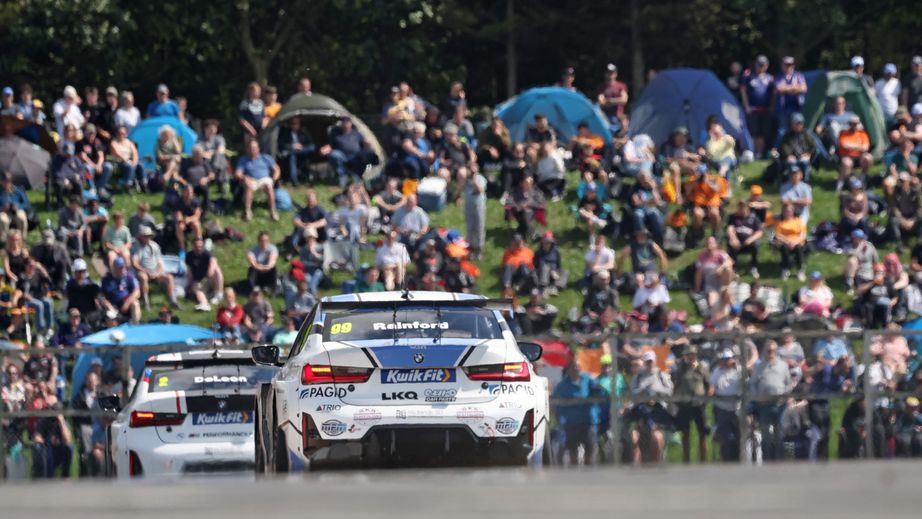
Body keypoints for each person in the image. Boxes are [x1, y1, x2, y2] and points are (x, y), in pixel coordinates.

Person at [552, 361, 605, 466]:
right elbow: (556, 405)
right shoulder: (562, 386)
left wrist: (599, 388)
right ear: (569, 369)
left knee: (590, 448)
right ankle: (575, 475)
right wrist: (559, 420)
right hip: (571, 423)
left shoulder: (587, 379)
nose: (576, 369)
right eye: (573, 366)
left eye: (578, 366)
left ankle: (589, 471)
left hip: (588, 421)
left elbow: (599, 392)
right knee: (572, 452)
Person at [629, 350, 673, 464]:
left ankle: (656, 464)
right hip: (641, 410)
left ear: (655, 361)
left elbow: (670, 391)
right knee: (634, 438)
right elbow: (632, 393)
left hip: (657, 410)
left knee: (657, 438)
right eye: (647, 362)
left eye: (651, 361)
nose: (649, 364)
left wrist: (656, 390)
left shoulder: (662, 375)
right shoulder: (638, 377)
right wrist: (643, 388)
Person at [751, 340, 792, 461]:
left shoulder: (783, 365)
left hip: (780, 405)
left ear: (776, 351)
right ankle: (767, 460)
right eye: (768, 351)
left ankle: (779, 461)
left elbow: (788, 384)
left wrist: (785, 397)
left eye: (773, 351)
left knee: (779, 434)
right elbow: (752, 384)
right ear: (764, 352)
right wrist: (757, 398)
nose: (771, 353)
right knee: (766, 435)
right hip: (764, 405)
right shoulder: (759, 366)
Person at [671, 345, 709, 463]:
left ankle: (703, 460)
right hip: (684, 404)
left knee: (702, 433)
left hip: (699, 404)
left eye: (691, 354)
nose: (689, 357)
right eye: (687, 355)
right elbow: (676, 384)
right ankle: (686, 460)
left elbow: (708, 385)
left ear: (696, 355)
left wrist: (706, 399)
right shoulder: (681, 369)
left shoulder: (702, 368)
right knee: (685, 433)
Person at [131, 226, 179, 309]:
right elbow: (135, 264)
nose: (147, 238)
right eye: (145, 236)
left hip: (155, 271)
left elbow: (160, 262)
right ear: (141, 236)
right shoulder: (136, 247)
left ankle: (173, 300)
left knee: (169, 277)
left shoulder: (155, 246)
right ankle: (146, 302)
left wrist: (157, 272)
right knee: (143, 277)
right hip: (143, 270)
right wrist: (146, 271)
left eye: (148, 236)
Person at [235, 139, 281, 221]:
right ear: (247, 149)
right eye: (251, 148)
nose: (253, 150)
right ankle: (248, 211)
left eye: (255, 148)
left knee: (269, 186)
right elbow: (237, 173)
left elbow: (276, 169)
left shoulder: (265, 157)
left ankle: (273, 211)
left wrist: (274, 178)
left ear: (258, 148)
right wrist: (244, 177)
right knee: (248, 185)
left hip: (264, 179)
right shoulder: (244, 159)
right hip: (251, 180)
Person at [709, 349, 741, 461]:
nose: (727, 361)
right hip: (722, 407)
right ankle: (725, 459)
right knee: (724, 436)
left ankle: (739, 458)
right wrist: (711, 394)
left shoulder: (739, 370)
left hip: (737, 407)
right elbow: (712, 387)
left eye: (729, 359)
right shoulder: (717, 371)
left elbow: (746, 384)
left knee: (739, 435)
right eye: (724, 359)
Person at [740, 55, 775, 158]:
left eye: (763, 65)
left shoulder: (769, 78)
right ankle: (753, 152)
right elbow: (743, 91)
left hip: (765, 110)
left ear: (767, 66)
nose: (760, 67)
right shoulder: (749, 77)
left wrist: (772, 106)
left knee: (762, 133)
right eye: (759, 64)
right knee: (753, 132)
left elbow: (773, 94)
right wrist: (746, 106)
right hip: (753, 109)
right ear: (755, 65)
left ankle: (759, 154)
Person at [687, 165, 727, 238]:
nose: (701, 176)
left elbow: (717, 189)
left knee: (714, 213)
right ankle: (697, 232)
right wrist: (694, 184)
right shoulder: (693, 180)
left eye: (703, 173)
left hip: (712, 205)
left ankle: (715, 232)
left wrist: (707, 181)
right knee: (697, 213)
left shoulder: (714, 179)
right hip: (699, 205)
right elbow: (687, 193)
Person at [726, 200, 764, 278]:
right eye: (740, 207)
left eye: (743, 207)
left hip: (748, 243)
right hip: (737, 242)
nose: (741, 209)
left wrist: (751, 239)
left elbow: (759, 232)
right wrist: (733, 238)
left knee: (755, 245)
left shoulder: (753, 217)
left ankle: (753, 267)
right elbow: (730, 228)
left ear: (747, 208)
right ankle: (734, 268)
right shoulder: (733, 217)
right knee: (731, 244)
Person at [185, 237, 224, 311]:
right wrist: (189, 284)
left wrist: (210, 270)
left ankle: (219, 294)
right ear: (193, 246)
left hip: (209, 278)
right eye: (197, 246)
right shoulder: (189, 256)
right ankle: (204, 303)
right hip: (198, 281)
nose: (199, 248)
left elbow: (213, 261)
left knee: (217, 270)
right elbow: (189, 271)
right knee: (197, 289)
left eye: (200, 246)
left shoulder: (207, 253)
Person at [694, 236, 734, 306]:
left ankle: (726, 290)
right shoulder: (702, 256)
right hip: (710, 283)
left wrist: (721, 267)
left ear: (716, 244)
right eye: (708, 243)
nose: (709, 245)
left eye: (711, 243)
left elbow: (730, 262)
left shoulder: (721, 253)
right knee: (713, 304)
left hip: (722, 281)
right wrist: (697, 288)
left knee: (728, 269)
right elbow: (699, 273)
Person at [837, 115, 873, 189]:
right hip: (846, 156)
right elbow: (843, 145)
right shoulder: (843, 133)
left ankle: (862, 177)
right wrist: (859, 147)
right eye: (852, 123)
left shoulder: (862, 134)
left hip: (859, 157)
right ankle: (842, 182)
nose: (854, 125)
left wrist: (852, 146)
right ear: (849, 124)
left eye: (855, 124)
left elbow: (865, 148)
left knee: (868, 158)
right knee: (846, 162)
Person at [773, 203, 807, 281]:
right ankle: (785, 269)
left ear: (793, 211)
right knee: (784, 248)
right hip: (784, 242)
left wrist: (795, 242)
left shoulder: (798, 221)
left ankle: (800, 270)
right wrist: (788, 242)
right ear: (783, 212)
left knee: (798, 248)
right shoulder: (780, 222)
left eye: (790, 211)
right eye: (786, 211)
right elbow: (777, 235)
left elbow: (803, 234)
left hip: (797, 242)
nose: (788, 213)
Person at [277, 116, 314, 185]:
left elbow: (309, 142)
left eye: (296, 123)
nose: (294, 125)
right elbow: (281, 144)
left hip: (301, 150)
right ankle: (294, 180)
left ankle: (308, 175)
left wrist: (301, 146)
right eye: (293, 123)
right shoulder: (285, 132)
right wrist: (292, 146)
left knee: (312, 147)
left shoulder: (303, 131)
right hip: (290, 151)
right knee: (292, 155)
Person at [505, 175, 544, 241]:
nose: (529, 184)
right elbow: (509, 202)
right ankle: (532, 233)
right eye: (526, 183)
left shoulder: (536, 192)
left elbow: (540, 204)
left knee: (526, 213)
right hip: (518, 212)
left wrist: (528, 205)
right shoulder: (515, 192)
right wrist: (519, 206)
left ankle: (520, 233)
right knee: (524, 213)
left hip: (533, 213)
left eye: (531, 182)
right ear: (521, 183)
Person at [76, 123, 112, 194]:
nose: (91, 135)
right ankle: (92, 188)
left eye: (93, 133)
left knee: (108, 166)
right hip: (86, 164)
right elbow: (84, 157)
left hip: (97, 164)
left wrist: (98, 165)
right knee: (88, 168)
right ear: (85, 133)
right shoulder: (80, 142)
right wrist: (94, 166)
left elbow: (101, 155)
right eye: (89, 133)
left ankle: (101, 187)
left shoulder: (97, 141)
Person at [779, 112, 816, 181]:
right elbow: (784, 147)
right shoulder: (787, 136)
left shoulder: (806, 134)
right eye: (796, 124)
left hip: (804, 156)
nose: (799, 126)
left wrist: (808, 154)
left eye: (800, 123)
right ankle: (792, 181)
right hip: (792, 156)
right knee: (791, 162)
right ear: (792, 124)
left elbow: (813, 146)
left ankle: (805, 181)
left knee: (805, 162)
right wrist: (788, 155)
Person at [65, 258, 102, 323]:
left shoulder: (91, 285)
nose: (81, 274)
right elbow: (69, 301)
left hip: (90, 311)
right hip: (76, 313)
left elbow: (97, 297)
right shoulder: (70, 286)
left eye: (83, 271)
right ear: (75, 272)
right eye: (79, 271)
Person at [179, 145, 215, 210]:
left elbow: (212, 175)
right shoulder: (186, 162)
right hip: (189, 185)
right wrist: (186, 184)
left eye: (199, 154)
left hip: (201, 185)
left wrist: (206, 179)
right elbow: (180, 177)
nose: (197, 156)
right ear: (192, 154)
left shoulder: (204, 162)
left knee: (205, 189)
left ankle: (205, 209)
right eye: (195, 154)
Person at [774, 56, 808, 126]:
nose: (788, 66)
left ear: (793, 65)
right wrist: (795, 87)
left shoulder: (799, 75)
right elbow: (779, 89)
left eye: (790, 65)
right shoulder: (779, 76)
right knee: (783, 130)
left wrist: (786, 89)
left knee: (797, 128)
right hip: (783, 109)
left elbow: (804, 88)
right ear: (782, 65)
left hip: (798, 108)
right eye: (786, 64)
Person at [844, 228, 878, 296]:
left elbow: (876, 259)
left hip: (868, 269)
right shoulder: (850, 247)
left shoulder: (869, 245)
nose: (856, 240)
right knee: (852, 261)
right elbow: (851, 255)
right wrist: (860, 247)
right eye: (855, 238)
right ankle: (850, 285)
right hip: (856, 271)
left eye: (859, 238)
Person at [109, 125, 142, 191]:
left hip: (130, 161)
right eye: (119, 133)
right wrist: (127, 161)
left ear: (126, 134)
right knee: (128, 166)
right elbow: (117, 154)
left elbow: (135, 153)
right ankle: (127, 184)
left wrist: (134, 162)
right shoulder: (114, 143)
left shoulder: (129, 142)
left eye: (123, 133)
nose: (121, 135)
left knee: (140, 165)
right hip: (119, 162)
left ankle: (143, 183)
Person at [0, 171, 31, 242]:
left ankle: (22, 239)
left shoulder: (17, 190)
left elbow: (26, 203)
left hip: (17, 210)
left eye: (8, 181)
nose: (7, 183)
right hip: (3, 211)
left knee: (22, 219)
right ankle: (4, 240)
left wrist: (18, 206)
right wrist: (2, 208)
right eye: (5, 181)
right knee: (3, 220)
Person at [172, 184, 203, 254]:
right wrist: (183, 221)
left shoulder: (196, 201)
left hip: (192, 221)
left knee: (197, 224)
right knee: (179, 226)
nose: (189, 193)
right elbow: (178, 215)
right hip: (182, 221)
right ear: (183, 192)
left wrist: (188, 219)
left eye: (191, 192)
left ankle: (199, 244)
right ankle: (182, 248)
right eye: (188, 191)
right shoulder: (178, 202)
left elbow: (197, 215)